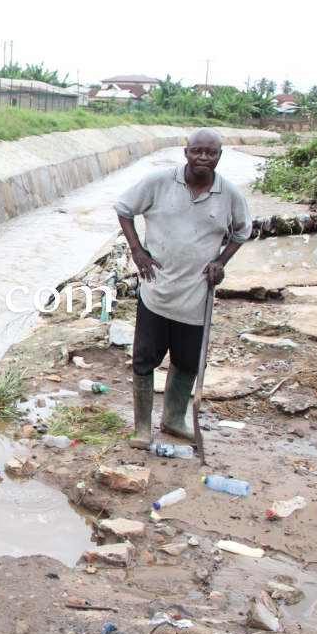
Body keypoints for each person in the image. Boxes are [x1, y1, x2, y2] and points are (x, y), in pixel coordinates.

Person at [113, 128, 251, 448]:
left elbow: (242, 232)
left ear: (219, 156)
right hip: (157, 290)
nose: (204, 157)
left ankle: (174, 419)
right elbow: (123, 208)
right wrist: (137, 250)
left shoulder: (229, 194)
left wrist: (221, 262)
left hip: (196, 296)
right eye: (198, 151)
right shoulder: (158, 183)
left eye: (211, 152)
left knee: (188, 361)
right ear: (186, 152)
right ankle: (143, 428)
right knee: (145, 358)